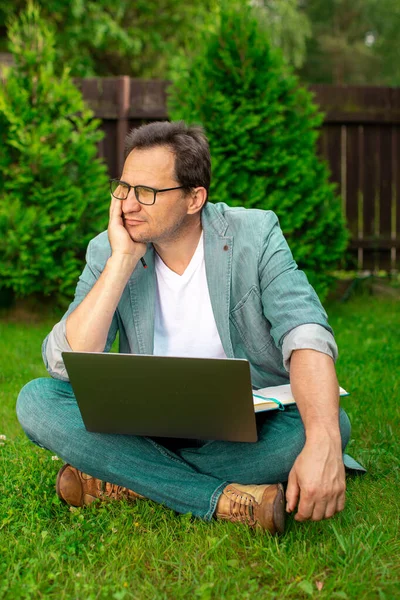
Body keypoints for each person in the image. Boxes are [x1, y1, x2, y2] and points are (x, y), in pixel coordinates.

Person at [16, 120, 364, 536]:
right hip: (144, 426)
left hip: (243, 432)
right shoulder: (108, 248)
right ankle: (225, 499)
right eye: (123, 188)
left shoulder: (255, 234)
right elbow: (63, 364)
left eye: (146, 193)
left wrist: (323, 442)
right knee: (36, 399)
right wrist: (122, 261)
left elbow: (306, 334)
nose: (127, 205)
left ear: (194, 198)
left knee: (327, 427)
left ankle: (127, 478)